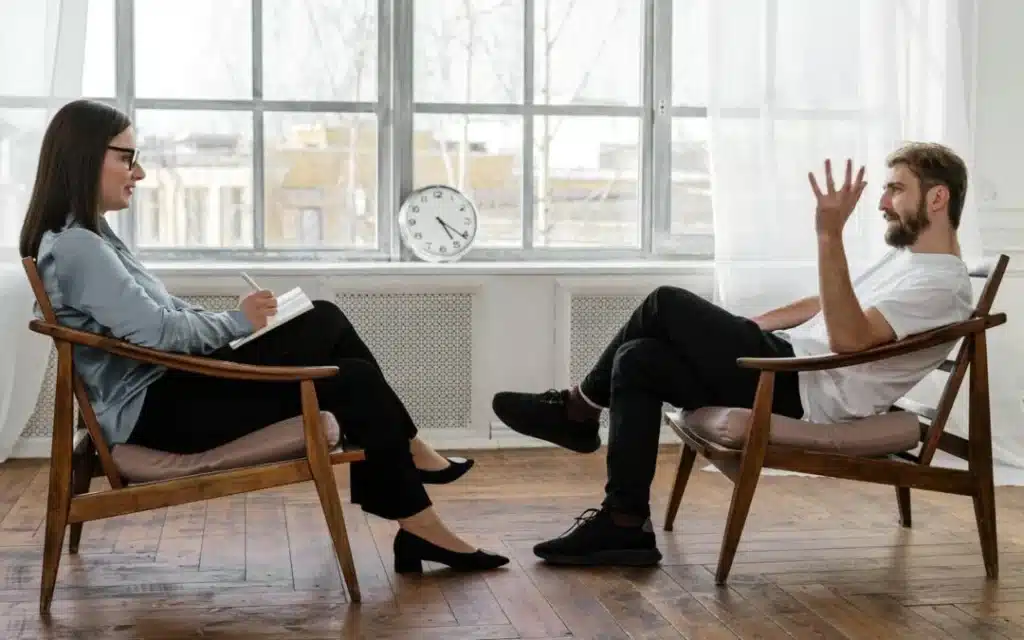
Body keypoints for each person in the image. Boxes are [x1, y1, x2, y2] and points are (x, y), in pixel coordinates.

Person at [20, 99, 508, 574]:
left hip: (167, 392)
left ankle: (417, 498)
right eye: (128, 159)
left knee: (327, 326)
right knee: (346, 364)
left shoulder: (90, 238)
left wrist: (241, 322)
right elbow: (158, 331)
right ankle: (414, 480)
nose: (140, 173)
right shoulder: (80, 247)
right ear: (86, 158)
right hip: (159, 414)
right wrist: (238, 323)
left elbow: (162, 314)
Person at [493, 143, 974, 567]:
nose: (883, 203)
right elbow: (825, 303)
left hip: (804, 389)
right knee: (638, 358)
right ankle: (625, 522)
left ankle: (577, 410)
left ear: (937, 198)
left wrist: (829, 235)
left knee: (665, 302)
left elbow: (849, 340)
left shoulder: (940, 285)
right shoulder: (908, 262)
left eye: (896, 189)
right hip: (790, 366)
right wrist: (745, 328)